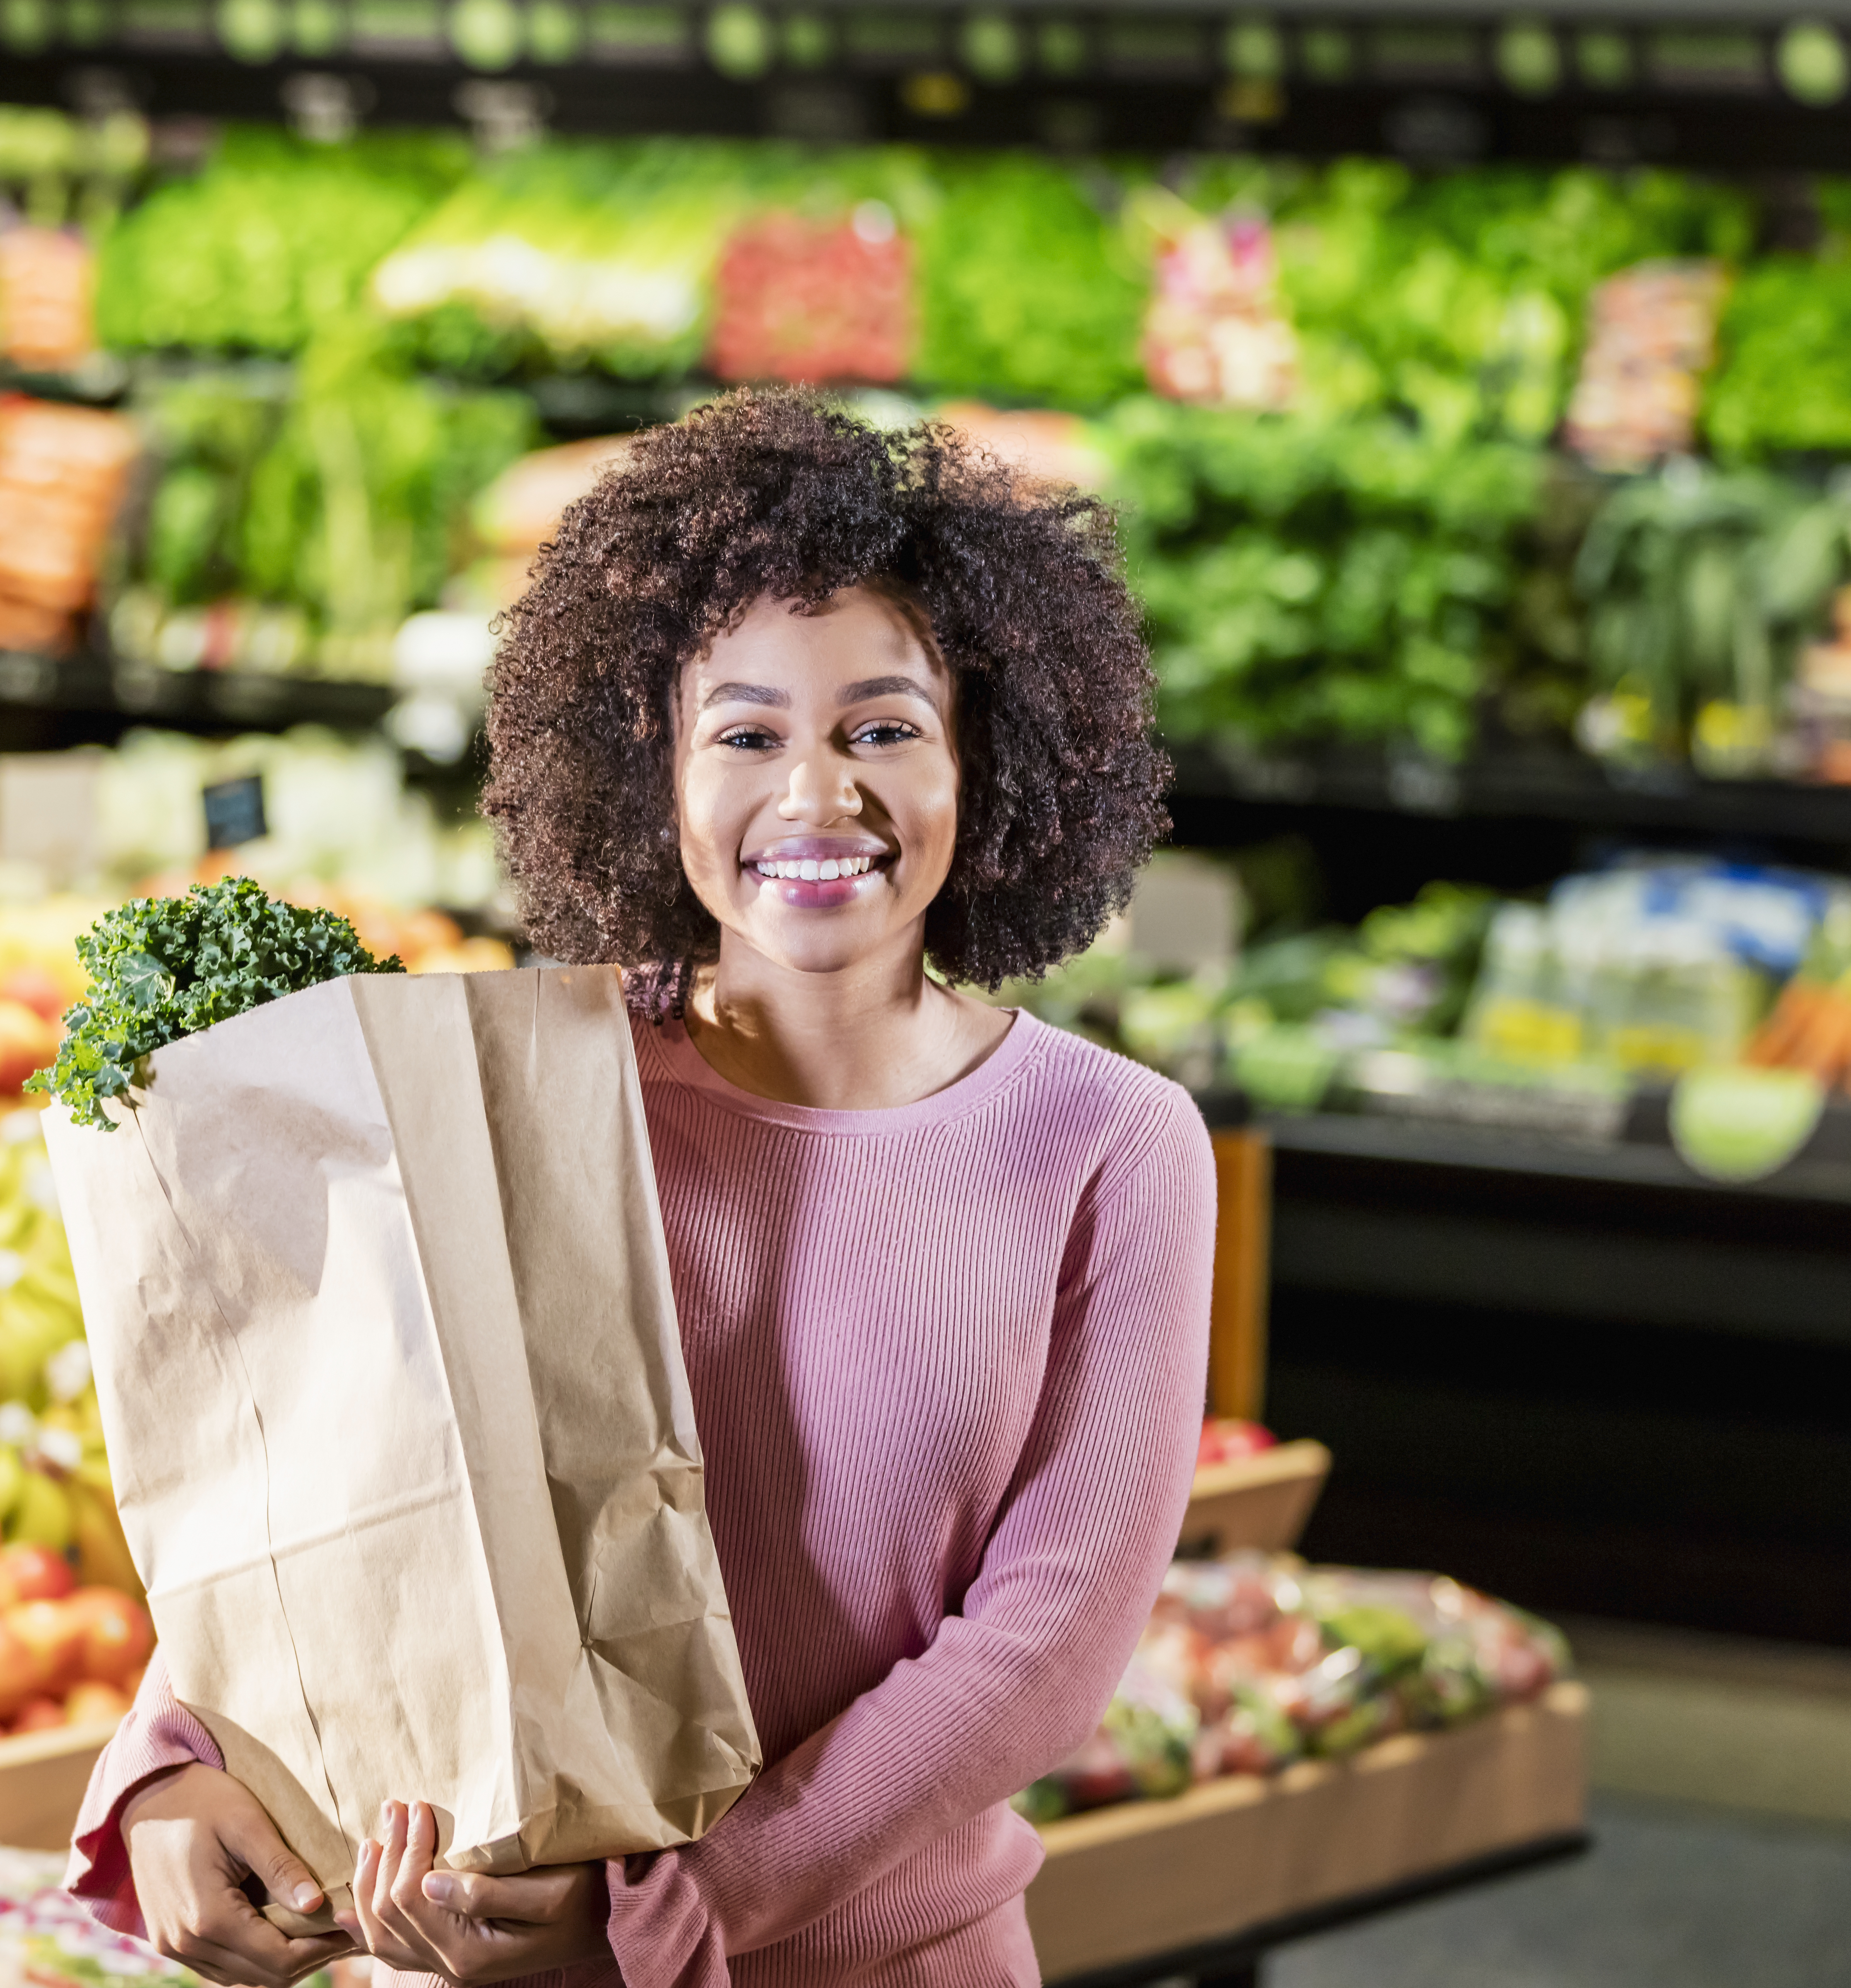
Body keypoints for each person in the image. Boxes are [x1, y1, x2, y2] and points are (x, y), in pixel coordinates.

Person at [66, 391, 1215, 1988]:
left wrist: (669, 1921)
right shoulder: (533, 1084)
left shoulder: (1112, 1143)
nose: (816, 796)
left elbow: (1046, 1650)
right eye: (745, 735)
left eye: (882, 727)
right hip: (503, 1937)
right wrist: (174, 1757)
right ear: (649, 774)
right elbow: (335, 1456)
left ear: (991, 755)